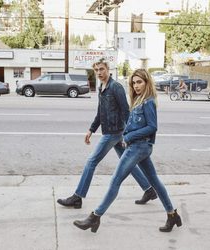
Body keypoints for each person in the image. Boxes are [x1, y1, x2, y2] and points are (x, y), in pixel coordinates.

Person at [73, 68, 182, 233]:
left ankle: (95, 217)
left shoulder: (148, 102)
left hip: (138, 147)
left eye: (140, 82)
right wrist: (126, 134)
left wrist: (129, 137)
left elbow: (152, 127)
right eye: (134, 82)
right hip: (139, 147)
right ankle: (172, 214)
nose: (136, 86)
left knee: (115, 181)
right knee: (155, 183)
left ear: (147, 82)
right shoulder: (138, 100)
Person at [57, 59, 157, 209]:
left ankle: (78, 197)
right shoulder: (101, 88)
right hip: (112, 132)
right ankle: (149, 190)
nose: (99, 73)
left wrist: (130, 134)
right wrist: (91, 129)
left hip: (115, 132)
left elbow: (125, 111)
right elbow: (100, 112)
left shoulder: (115, 87)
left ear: (108, 69)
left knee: (91, 161)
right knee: (129, 163)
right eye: (96, 70)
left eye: (102, 69)